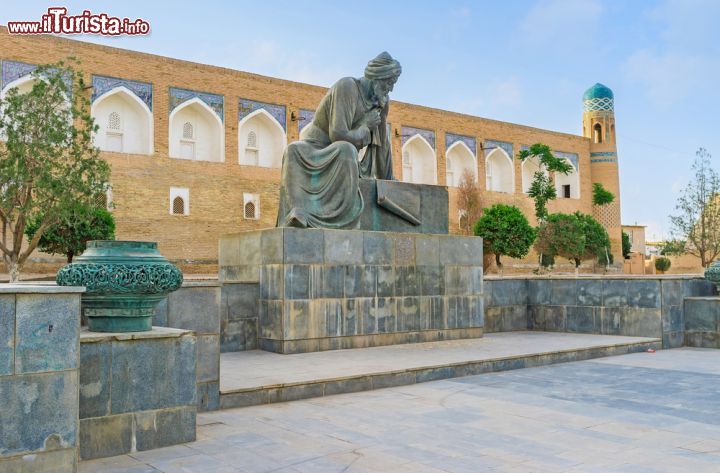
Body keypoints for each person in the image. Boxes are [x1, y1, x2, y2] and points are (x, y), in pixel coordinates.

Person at [276, 52, 402, 229]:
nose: (391, 88)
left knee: (346, 150)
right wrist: (365, 126)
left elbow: (383, 142)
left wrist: (387, 179)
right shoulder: (348, 87)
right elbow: (338, 134)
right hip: (315, 148)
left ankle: (337, 218)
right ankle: (298, 212)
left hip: (343, 156)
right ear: (377, 77)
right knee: (293, 150)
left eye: (393, 84)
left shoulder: (381, 101)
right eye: (389, 82)